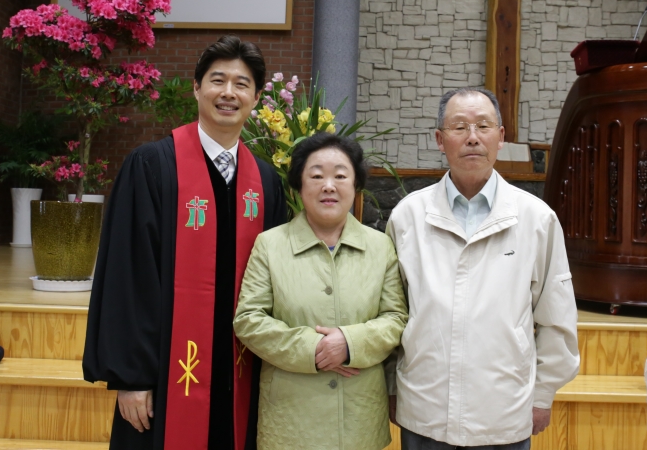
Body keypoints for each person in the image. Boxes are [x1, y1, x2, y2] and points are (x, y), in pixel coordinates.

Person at [82, 35, 287, 450]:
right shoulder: (152, 166)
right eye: (217, 80)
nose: (228, 93)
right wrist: (132, 378)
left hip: (240, 376)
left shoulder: (266, 182)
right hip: (162, 377)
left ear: (256, 98)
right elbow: (128, 276)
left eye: (242, 84)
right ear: (196, 87)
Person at [385, 87, 579, 449]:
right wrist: (393, 387)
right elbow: (391, 313)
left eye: (483, 126)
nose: (472, 137)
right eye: (459, 127)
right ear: (440, 140)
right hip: (425, 406)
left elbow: (557, 317)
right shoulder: (408, 216)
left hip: (503, 409)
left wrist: (542, 394)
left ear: (500, 137)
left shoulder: (536, 218)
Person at [233, 133, 408, 450]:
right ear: (298, 186)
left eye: (340, 176)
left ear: (356, 185)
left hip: (359, 421)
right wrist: (312, 348)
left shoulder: (380, 246)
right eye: (316, 176)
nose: (329, 186)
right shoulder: (270, 245)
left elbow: (396, 318)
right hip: (290, 422)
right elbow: (249, 319)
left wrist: (350, 342)